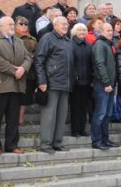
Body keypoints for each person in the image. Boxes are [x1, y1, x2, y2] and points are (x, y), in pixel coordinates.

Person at [0, 16, 32, 156]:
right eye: (9, 24)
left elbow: (28, 57)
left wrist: (23, 69)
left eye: (13, 23)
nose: (13, 26)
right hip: (0, 85)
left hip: (16, 86)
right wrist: (14, 71)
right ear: (1, 27)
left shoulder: (18, 41)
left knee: (13, 118)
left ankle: (12, 145)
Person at [35, 16, 74, 154]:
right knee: (49, 116)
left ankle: (57, 142)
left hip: (65, 84)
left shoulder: (68, 41)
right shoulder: (47, 38)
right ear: (55, 25)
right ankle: (46, 144)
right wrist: (42, 81)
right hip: (51, 83)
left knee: (61, 116)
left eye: (67, 24)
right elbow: (39, 60)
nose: (65, 26)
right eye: (62, 24)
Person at [91, 23, 119, 150]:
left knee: (107, 114)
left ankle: (105, 139)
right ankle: (96, 141)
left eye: (111, 30)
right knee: (100, 113)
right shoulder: (99, 44)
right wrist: (107, 83)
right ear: (101, 31)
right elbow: (99, 64)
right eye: (108, 30)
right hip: (103, 85)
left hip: (110, 85)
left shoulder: (109, 44)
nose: (111, 32)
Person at [14, 16, 37, 124]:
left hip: (30, 73)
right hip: (16, 70)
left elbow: (36, 53)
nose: (23, 26)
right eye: (21, 24)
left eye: (25, 24)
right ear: (15, 25)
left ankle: (20, 118)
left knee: (25, 97)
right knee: (15, 96)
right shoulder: (13, 37)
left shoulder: (32, 39)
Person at [70, 23, 92, 137]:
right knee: (75, 107)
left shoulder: (89, 45)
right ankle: (75, 130)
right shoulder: (70, 44)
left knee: (84, 107)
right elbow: (70, 63)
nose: (82, 32)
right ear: (74, 31)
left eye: (84, 30)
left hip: (86, 81)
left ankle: (82, 129)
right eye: (79, 30)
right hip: (75, 82)